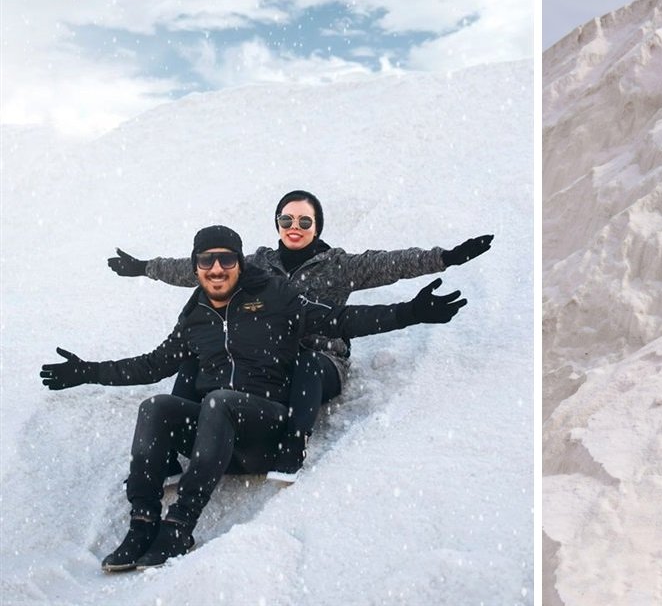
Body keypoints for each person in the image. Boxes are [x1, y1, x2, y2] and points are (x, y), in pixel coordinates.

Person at [42, 225, 467, 571]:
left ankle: (179, 526)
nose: (216, 268)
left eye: (226, 258)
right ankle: (142, 521)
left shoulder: (275, 298)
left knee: (219, 401)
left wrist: (409, 313)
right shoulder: (195, 314)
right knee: (156, 406)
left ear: (240, 263)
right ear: (196, 266)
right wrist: (88, 371)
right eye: (206, 260)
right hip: (215, 441)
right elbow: (153, 365)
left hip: (263, 431)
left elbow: (337, 319)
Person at [107, 189, 493, 477]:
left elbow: (393, 263)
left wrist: (447, 257)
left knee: (309, 360)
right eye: (287, 220)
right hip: (270, 360)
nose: (295, 228)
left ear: (317, 226)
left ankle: (293, 447)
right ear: (277, 224)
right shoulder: (258, 263)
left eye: (304, 221)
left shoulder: (339, 266)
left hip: (320, 359)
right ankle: (177, 449)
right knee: (197, 357)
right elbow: (194, 268)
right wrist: (144, 267)